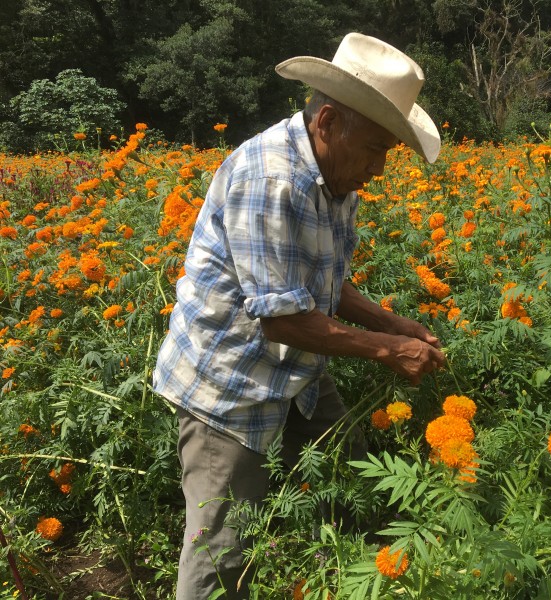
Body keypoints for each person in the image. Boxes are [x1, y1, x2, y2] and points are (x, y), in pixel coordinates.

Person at [152, 32, 446, 599]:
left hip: (293, 371)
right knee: (221, 552)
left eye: (389, 150)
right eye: (377, 149)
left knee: (348, 478)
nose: (381, 168)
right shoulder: (273, 179)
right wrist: (389, 350)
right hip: (229, 386)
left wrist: (392, 322)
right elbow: (282, 319)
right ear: (329, 120)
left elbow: (320, 279)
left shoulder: (336, 171)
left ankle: (354, 581)